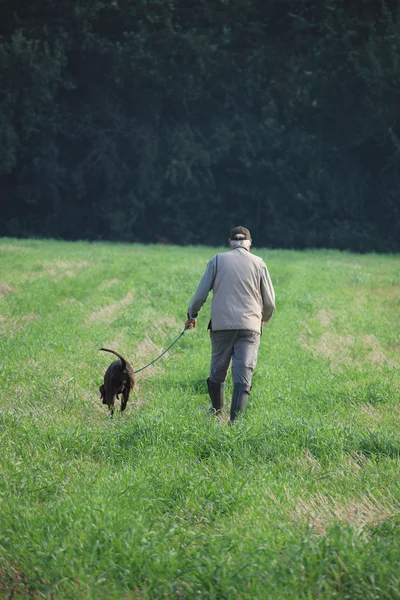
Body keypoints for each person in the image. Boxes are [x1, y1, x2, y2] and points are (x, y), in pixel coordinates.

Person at [185, 226, 275, 422]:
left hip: (221, 326)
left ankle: (217, 412)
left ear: (230, 244)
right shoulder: (259, 263)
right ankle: (235, 424)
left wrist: (192, 314)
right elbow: (269, 302)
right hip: (250, 327)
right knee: (243, 374)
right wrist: (263, 319)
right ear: (249, 244)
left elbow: (200, 294)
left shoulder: (217, 260)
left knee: (218, 370)